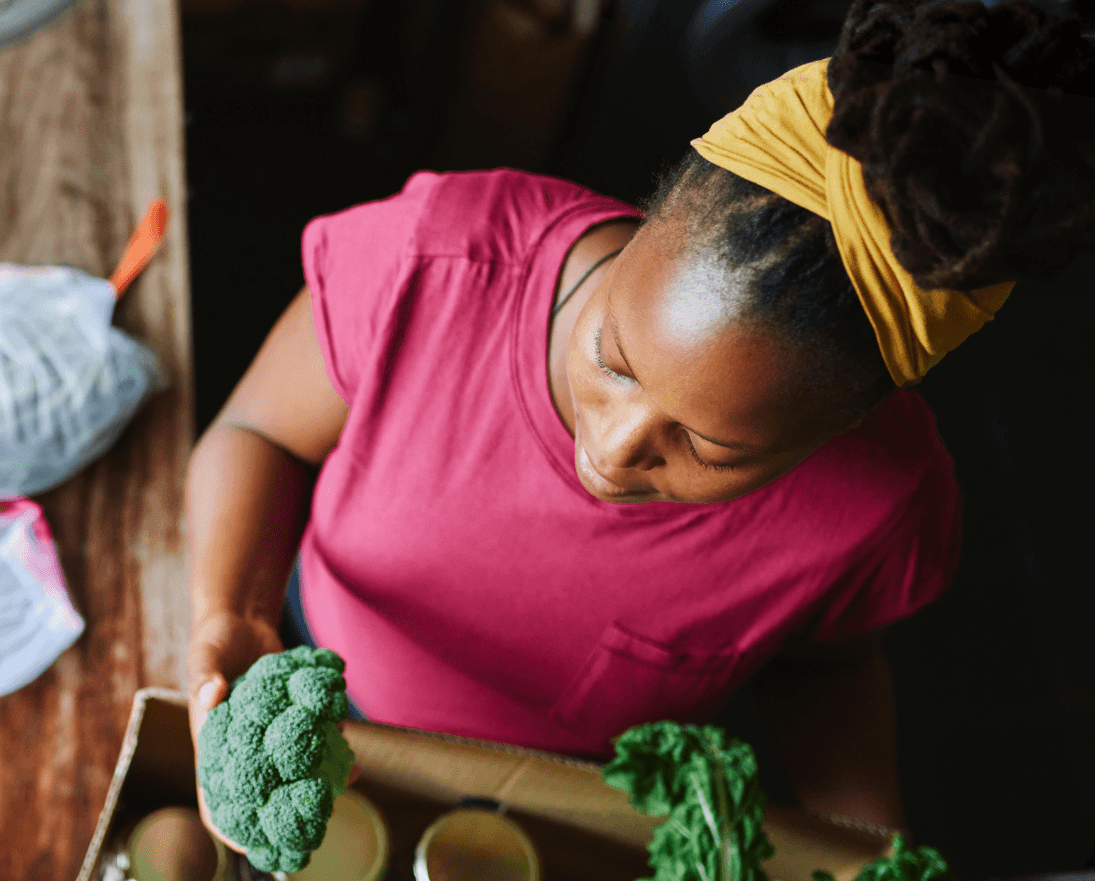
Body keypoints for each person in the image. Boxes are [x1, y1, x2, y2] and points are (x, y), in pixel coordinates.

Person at [184, 0, 1095, 838]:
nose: (611, 452)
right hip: (301, 652)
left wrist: (868, 855)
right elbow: (256, 432)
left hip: (562, 811)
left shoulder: (877, 507)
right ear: (649, 216)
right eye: (611, 356)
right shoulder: (437, 262)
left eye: (705, 447)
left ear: (842, 427)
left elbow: (823, 667)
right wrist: (231, 611)